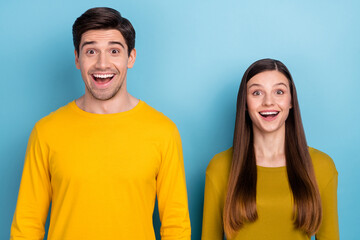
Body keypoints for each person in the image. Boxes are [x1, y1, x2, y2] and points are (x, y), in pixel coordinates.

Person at [10, 7, 191, 240]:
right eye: (91, 51)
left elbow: (176, 225)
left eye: (114, 51)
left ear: (131, 58)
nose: (102, 64)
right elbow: (27, 226)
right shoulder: (46, 132)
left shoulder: (163, 131)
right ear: (77, 59)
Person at [202, 58, 339, 240]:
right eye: (257, 93)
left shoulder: (322, 166)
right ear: (245, 103)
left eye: (279, 91)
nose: (268, 102)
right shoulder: (220, 167)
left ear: (291, 101)